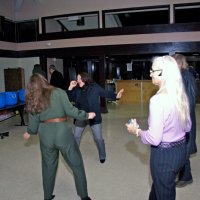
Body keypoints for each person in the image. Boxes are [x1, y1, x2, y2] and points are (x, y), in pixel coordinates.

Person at [126, 56, 191, 200]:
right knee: (161, 187)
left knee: (164, 191)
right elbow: (188, 126)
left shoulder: (157, 100)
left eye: (152, 70)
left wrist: (136, 131)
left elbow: (154, 139)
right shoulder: (180, 95)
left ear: (162, 73)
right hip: (180, 152)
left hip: (164, 157)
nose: (150, 73)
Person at [23, 74, 95, 200]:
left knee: (48, 167)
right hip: (62, 133)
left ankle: (47, 196)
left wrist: (29, 132)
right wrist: (86, 115)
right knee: (76, 164)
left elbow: (33, 125)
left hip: (45, 135)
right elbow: (70, 110)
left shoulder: (33, 98)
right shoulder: (58, 92)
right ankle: (84, 196)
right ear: (44, 80)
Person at [67, 72, 124, 163]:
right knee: (76, 137)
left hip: (94, 117)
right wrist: (70, 87)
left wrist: (116, 96)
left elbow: (105, 93)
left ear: (84, 79)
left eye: (78, 78)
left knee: (98, 139)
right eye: (77, 78)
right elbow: (69, 98)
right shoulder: (77, 89)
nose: (77, 80)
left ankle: (102, 155)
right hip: (81, 116)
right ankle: (74, 155)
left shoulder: (94, 87)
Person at [172, 53, 197, 187]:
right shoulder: (181, 76)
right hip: (181, 119)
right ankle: (185, 175)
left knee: (183, 150)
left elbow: (190, 100)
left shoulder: (186, 76)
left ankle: (186, 176)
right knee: (182, 149)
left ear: (179, 63)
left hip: (184, 120)